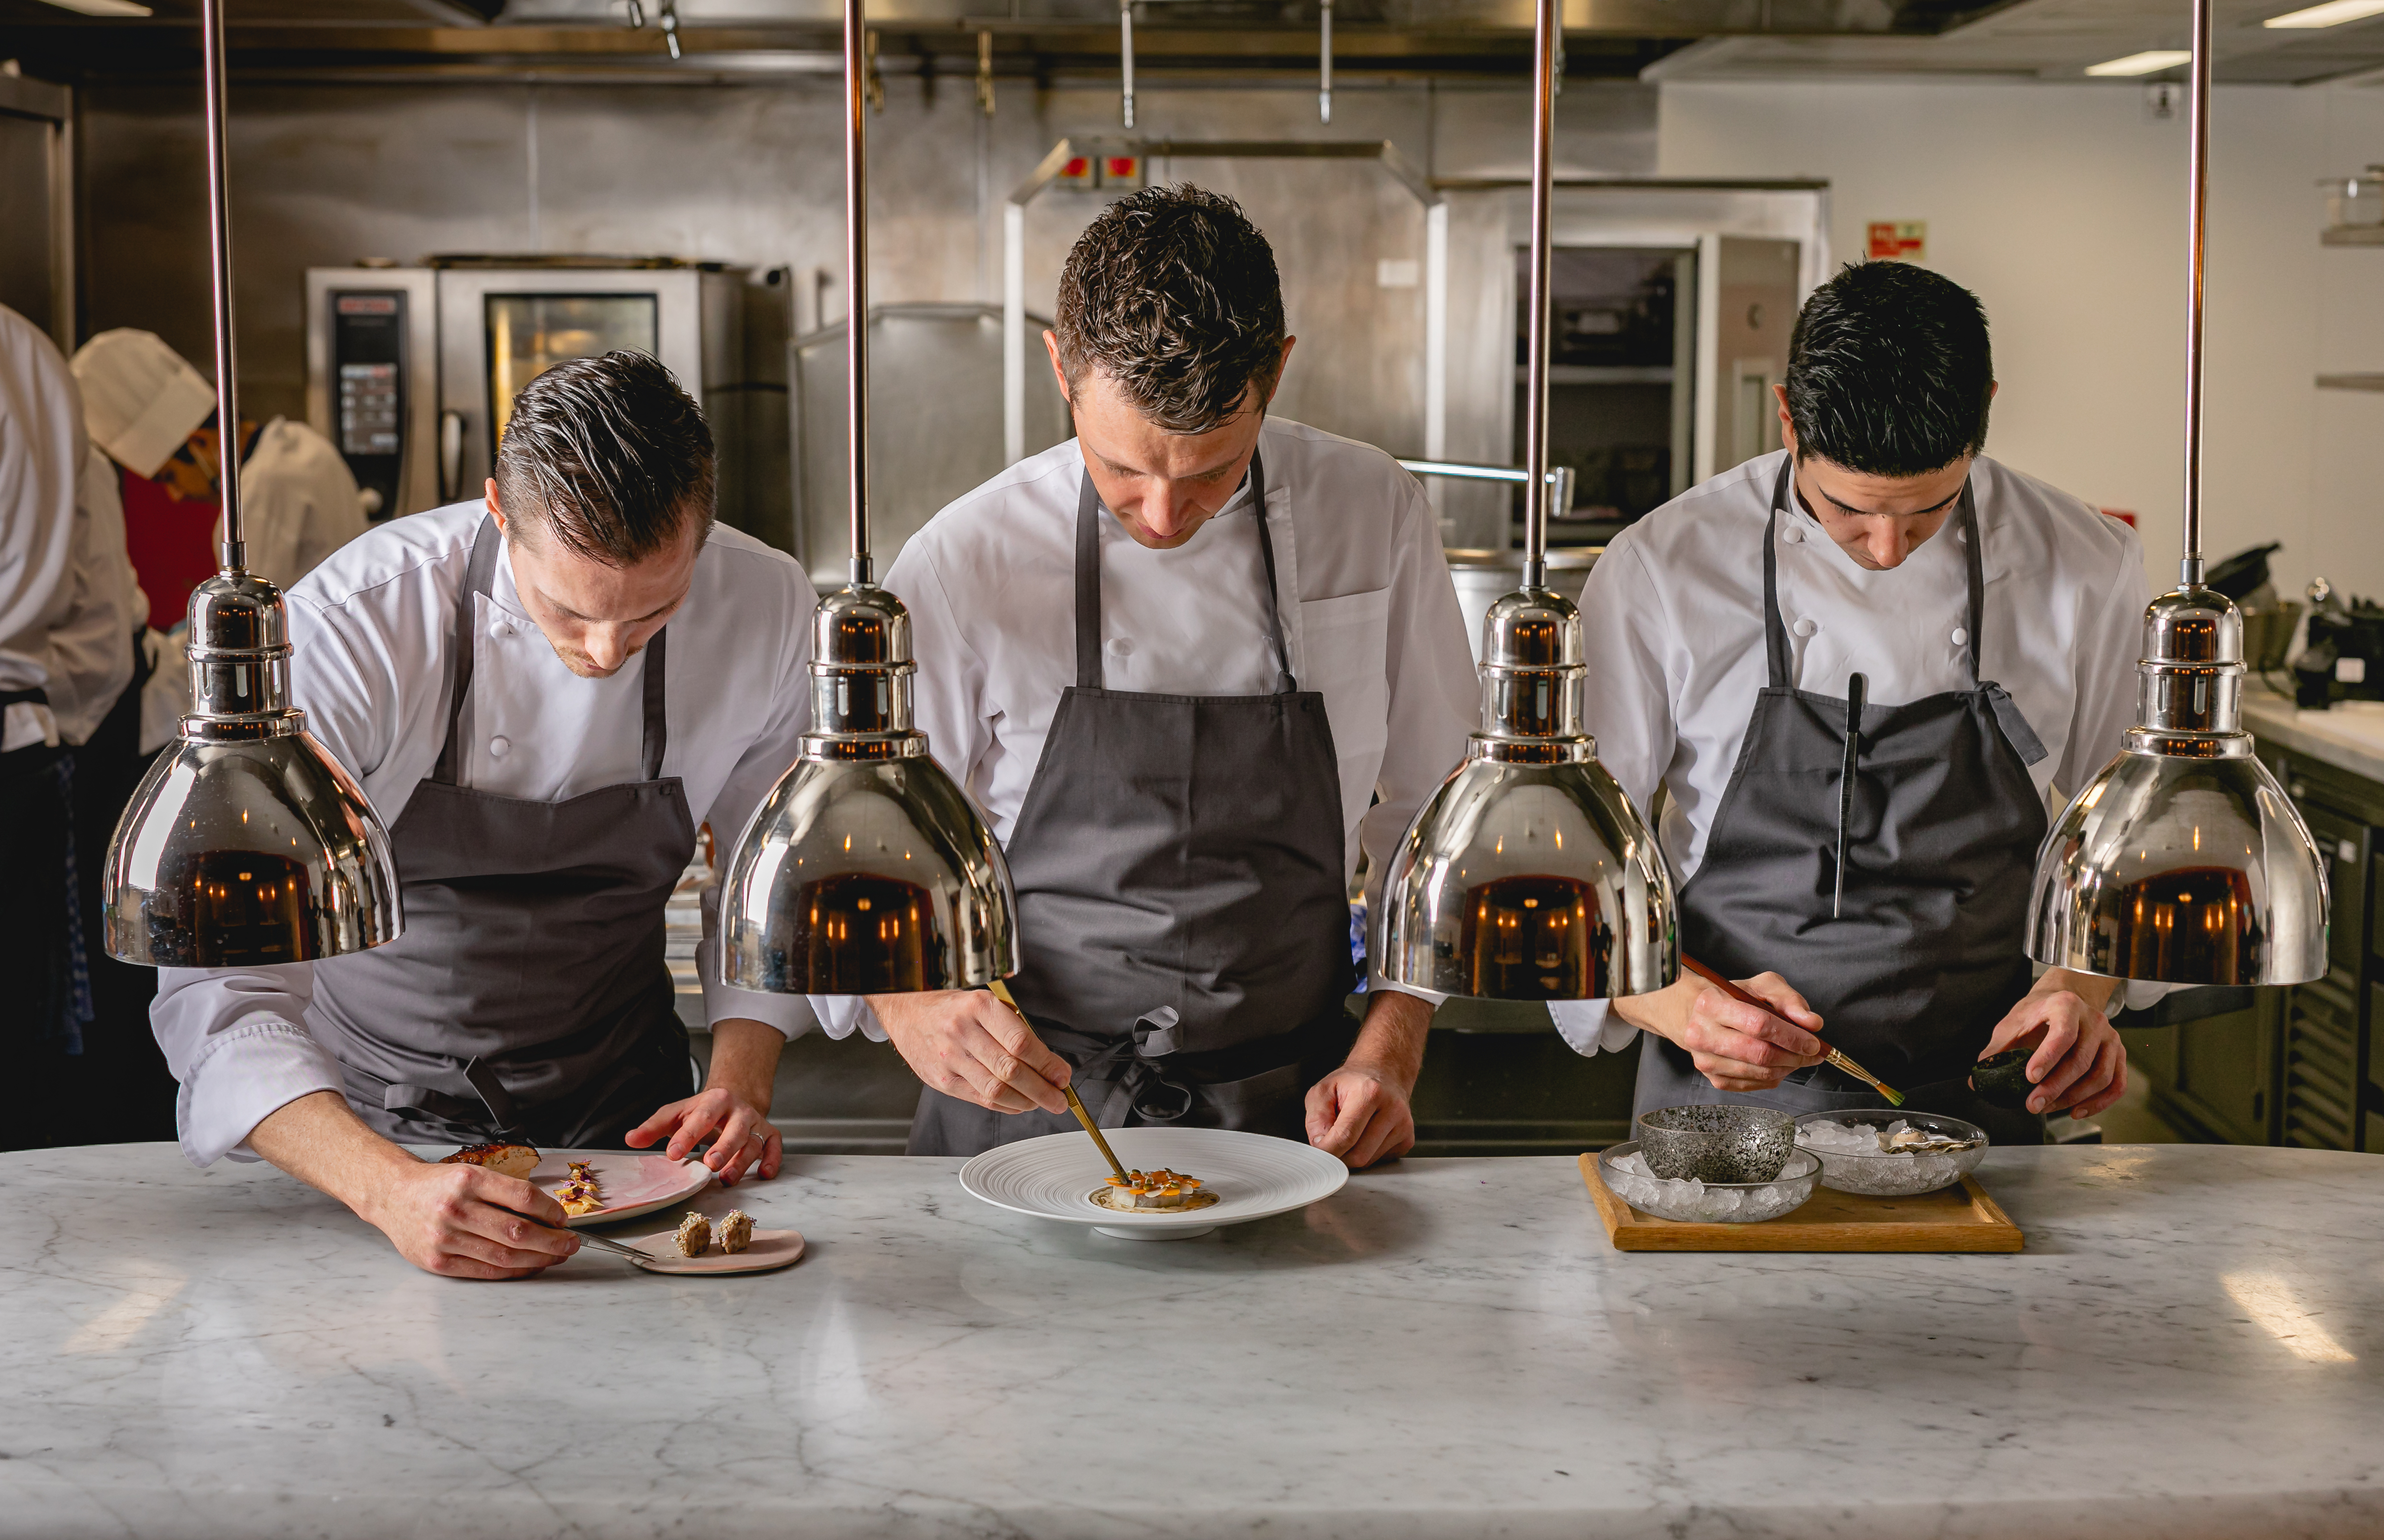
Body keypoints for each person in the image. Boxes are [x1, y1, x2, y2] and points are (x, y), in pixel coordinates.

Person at [811, 186, 1478, 1166]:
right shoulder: (963, 558)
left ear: (1276, 372)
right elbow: (862, 852)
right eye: (1122, 470)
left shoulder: (1370, 511)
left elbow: (1438, 815)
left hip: (1296, 1116)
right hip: (1027, 1109)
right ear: (1060, 369)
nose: (1163, 517)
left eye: (1212, 471)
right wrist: (906, 1001)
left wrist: (1392, 1047)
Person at [150, 351, 818, 1278]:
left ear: (703, 532)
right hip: (366, 1134)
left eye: (653, 614)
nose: (604, 651)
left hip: (633, 1131)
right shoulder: (354, 630)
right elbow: (222, 997)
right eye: (567, 609)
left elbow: (769, 880)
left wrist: (738, 1083)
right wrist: (389, 1189)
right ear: (498, 508)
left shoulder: (767, 604)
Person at [1556, 261, 2147, 1142]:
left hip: (1999, 1098)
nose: (1883, 550)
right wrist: (1679, 1006)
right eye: (1847, 512)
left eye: (1925, 515)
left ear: (1984, 412)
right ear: (1787, 416)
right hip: (1730, 1112)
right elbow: (1574, 865)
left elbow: (2129, 838)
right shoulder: (1661, 568)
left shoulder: (2084, 562)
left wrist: (2077, 991)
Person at [71, 327, 367, 626]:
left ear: (199, 444)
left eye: (171, 477)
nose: (177, 495)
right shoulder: (300, 442)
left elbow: (246, 629)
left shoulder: (258, 495)